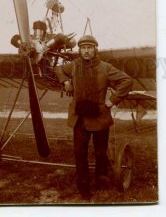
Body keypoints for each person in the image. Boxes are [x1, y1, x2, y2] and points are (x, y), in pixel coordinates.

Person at [55, 35, 133, 200]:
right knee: (79, 152)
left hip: (100, 117)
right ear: (80, 50)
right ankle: (83, 188)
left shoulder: (105, 67)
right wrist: (65, 82)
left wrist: (112, 101)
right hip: (80, 118)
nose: (86, 51)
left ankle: (101, 179)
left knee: (100, 152)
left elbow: (127, 81)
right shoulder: (75, 66)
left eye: (90, 47)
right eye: (83, 48)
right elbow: (58, 69)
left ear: (95, 49)